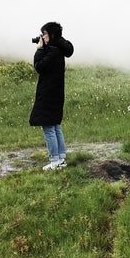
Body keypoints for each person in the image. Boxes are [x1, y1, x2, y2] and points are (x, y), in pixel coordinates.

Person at [29, 21, 74, 170]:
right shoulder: (58, 50)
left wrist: (40, 50)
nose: (42, 36)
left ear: (51, 35)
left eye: (45, 33)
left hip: (48, 94)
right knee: (55, 125)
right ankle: (61, 158)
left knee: (48, 127)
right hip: (56, 93)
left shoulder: (53, 51)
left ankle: (55, 160)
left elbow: (39, 67)